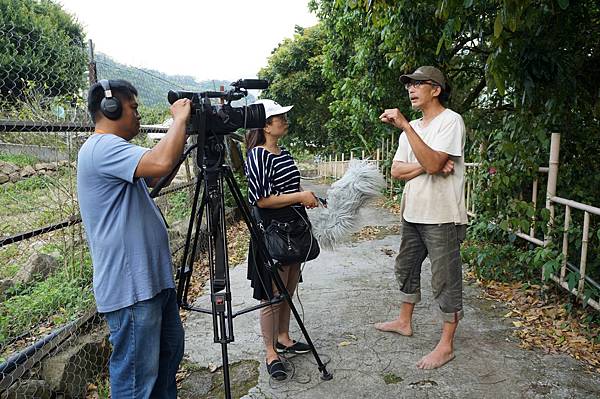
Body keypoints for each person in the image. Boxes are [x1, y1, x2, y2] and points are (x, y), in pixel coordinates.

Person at [77, 79, 191, 398]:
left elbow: (157, 173)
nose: (138, 115)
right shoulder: (102, 147)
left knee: (166, 362)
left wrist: (181, 135)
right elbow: (161, 162)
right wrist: (179, 120)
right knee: (137, 380)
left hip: (151, 282)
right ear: (110, 108)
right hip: (132, 289)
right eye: (133, 108)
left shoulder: (117, 151)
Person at [375, 66, 467, 369]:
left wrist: (407, 129)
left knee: (445, 279)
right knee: (405, 266)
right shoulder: (413, 127)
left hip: (442, 215)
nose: (411, 89)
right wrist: (429, 165)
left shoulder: (451, 122)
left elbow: (431, 159)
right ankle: (404, 321)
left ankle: (446, 345)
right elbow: (396, 170)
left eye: (418, 84)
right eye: (409, 85)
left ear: (436, 90)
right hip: (413, 212)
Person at [244, 99, 319, 380]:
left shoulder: (283, 152)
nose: (284, 120)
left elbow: (291, 185)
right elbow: (262, 200)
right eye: (279, 117)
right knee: (272, 293)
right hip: (273, 231)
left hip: (294, 229)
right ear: (265, 125)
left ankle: (284, 337)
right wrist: (300, 197)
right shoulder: (258, 156)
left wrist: (305, 195)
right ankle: (269, 350)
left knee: (289, 286)